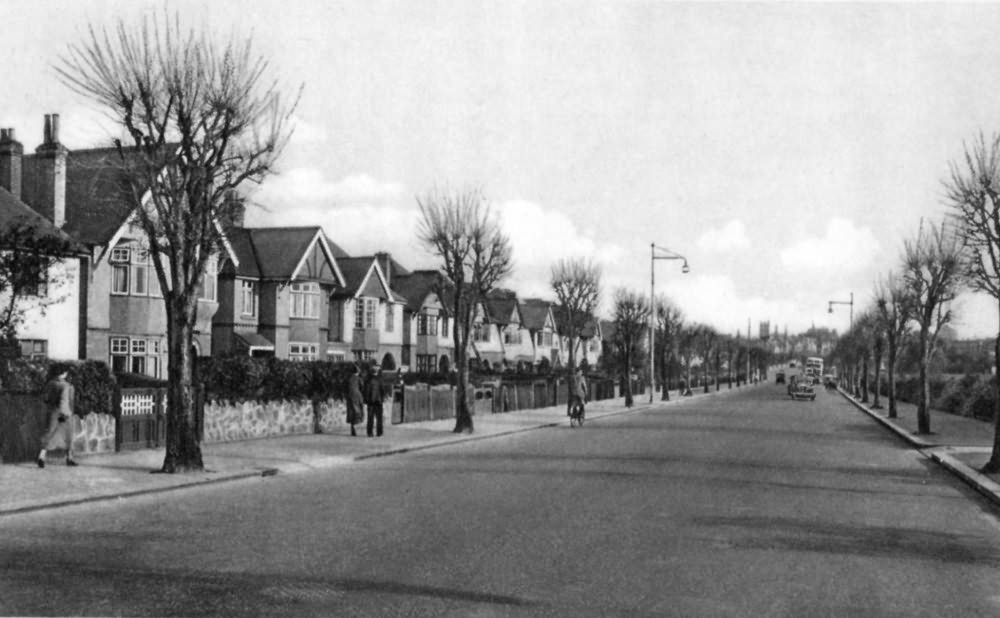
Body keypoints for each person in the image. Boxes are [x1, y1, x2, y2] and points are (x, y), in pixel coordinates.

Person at [37, 363, 77, 468]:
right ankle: (69, 458)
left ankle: (41, 456)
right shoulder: (68, 386)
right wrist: (70, 413)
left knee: (48, 433)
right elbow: (69, 402)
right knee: (68, 435)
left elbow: (45, 399)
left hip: (52, 411)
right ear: (64, 373)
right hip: (65, 413)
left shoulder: (50, 384)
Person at [364, 364, 385, 437]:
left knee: (370, 418)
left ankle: (370, 432)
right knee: (379, 418)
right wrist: (382, 399)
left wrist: (366, 400)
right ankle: (379, 432)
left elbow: (366, 391)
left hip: (371, 402)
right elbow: (382, 391)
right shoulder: (380, 380)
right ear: (377, 372)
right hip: (378, 401)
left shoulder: (368, 381)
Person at [346, 364, 364, 437]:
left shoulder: (349, 378)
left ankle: (352, 428)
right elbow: (362, 387)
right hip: (357, 396)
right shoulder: (358, 379)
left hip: (350, 396)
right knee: (358, 412)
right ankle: (355, 428)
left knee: (351, 412)